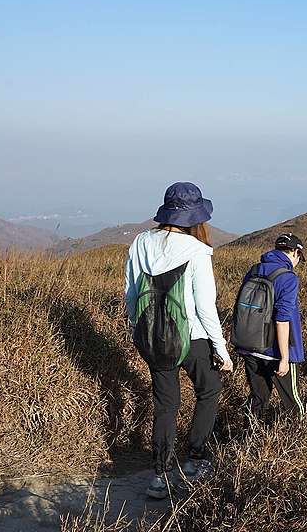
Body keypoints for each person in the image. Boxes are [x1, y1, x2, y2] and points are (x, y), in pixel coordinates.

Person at [124, 182, 233, 500]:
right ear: (194, 216)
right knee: (209, 391)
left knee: (166, 405)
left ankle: (159, 476)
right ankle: (195, 460)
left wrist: (139, 329)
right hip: (194, 337)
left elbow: (131, 293)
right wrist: (221, 348)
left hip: (153, 338)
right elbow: (204, 306)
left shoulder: (141, 242)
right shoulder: (198, 251)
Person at [236, 233, 306, 424]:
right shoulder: (288, 278)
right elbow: (282, 319)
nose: (298, 261)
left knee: (258, 399)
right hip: (276, 351)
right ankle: (297, 443)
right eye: (299, 256)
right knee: (293, 403)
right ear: (294, 252)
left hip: (250, 346)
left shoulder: (254, 270)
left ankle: (249, 443)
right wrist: (285, 357)